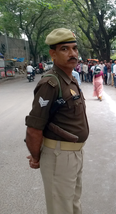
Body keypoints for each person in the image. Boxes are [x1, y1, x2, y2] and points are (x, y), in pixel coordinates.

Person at [25, 28, 89, 214]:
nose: (72, 54)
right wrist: (37, 157)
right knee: (61, 208)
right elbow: (34, 128)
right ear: (52, 54)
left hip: (75, 154)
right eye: (65, 49)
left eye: (74, 48)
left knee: (73, 204)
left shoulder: (70, 79)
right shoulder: (50, 83)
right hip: (59, 156)